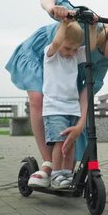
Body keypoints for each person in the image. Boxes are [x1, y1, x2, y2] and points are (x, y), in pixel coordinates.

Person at [5, 0, 108, 188]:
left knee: (71, 118)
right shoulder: (84, 21)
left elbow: (87, 90)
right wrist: (54, 8)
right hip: (43, 54)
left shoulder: (103, 61)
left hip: (65, 74)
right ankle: (48, 165)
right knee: (38, 99)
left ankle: (63, 169)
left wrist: (80, 122)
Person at [39, 17, 96, 188]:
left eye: (75, 49)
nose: (71, 52)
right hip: (54, 108)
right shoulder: (51, 54)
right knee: (59, 142)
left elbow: (90, 48)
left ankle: (67, 174)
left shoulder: (73, 56)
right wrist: (64, 22)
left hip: (72, 107)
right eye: (68, 47)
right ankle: (56, 175)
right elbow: (57, 43)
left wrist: (93, 27)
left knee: (70, 144)